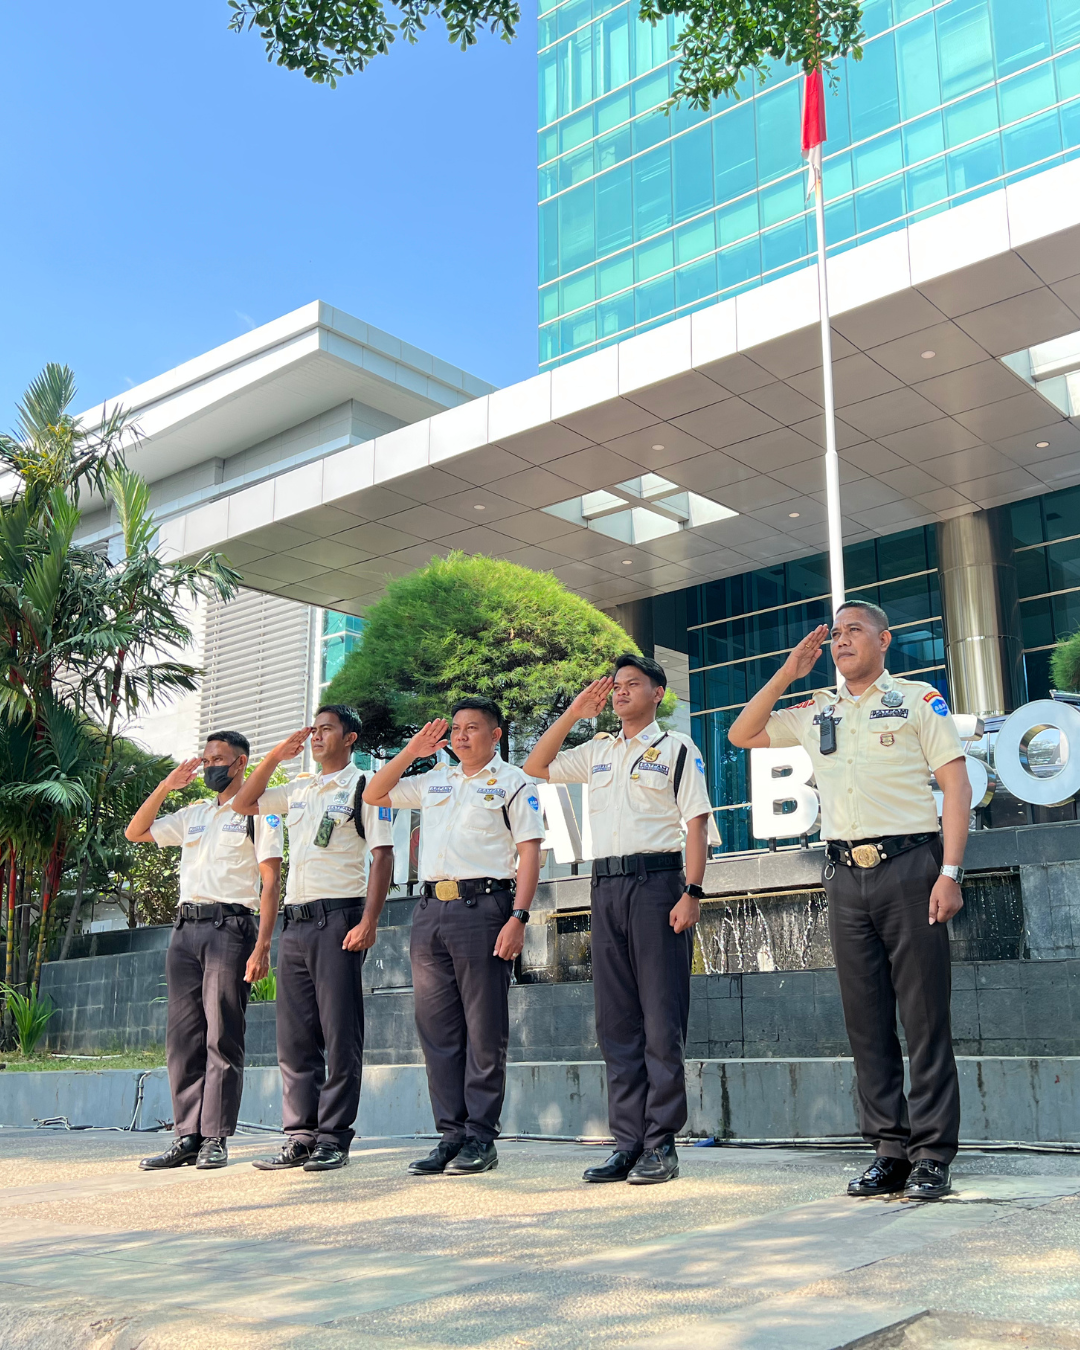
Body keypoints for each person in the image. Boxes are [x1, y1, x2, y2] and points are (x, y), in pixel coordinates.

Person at [728, 601, 971, 1201]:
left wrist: (950, 872)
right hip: (844, 875)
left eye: (853, 630)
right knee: (865, 1021)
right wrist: (788, 672)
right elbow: (742, 733)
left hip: (911, 868)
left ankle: (932, 1154)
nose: (841, 640)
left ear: (884, 640)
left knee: (924, 1018)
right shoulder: (817, 710)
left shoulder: (918, 701)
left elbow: (956, 786)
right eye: (835, 633)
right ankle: (889, 1150)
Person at [525, 654, 712, 1185]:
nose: (621, 692)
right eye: (616, 686)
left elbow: (696, 824)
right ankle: (627, 1142)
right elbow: (537, 765)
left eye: (633, 684)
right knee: (616, 1023)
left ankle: (661, 1144)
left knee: (660, 1019)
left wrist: (692, 891)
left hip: (658, 885)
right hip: (605, 888)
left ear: (658, 693)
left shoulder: (677, 748)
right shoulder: (599, 751)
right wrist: (573, 714)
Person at [363, 697, 544, 1176]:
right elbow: (376, 793)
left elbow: (530, 853)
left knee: (483, 1029)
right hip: (430, 912)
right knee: (437, 1030)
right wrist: (412, 751)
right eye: (456, 729)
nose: (461, 736)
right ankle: (451, 1135)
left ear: (496, 735)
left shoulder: (514, 782)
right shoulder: (434, 779)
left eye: (473, 728)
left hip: (483, 908)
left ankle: (480, 1137)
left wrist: (519, 917)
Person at [232, 705, 394, 1172]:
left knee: (340, 1033)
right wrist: (274, 757)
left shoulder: (366, 786)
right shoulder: (299, 788)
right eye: (314, 730)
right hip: (296, 923)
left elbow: (383, 856)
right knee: (295, 1036)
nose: (317, 737)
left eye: (327, 729)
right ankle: (301, 1136)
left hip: (339, 918)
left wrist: (370, 920)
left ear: (350, 738)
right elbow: (243, 803)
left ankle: (334, 1138)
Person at [125, 731, 283, 1171]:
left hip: (229, 929)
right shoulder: (193, 814)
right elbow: (135, 832)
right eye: (206, 758)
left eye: (218, 759)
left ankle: (215, 1136)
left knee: (222, 1035)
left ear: (240, 763)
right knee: (183, 1039)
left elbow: (271, 882)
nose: (210, 766)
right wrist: (166, 786)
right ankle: (187, 1136)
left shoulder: (261, 811)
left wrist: (263, 945)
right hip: (185, 932)